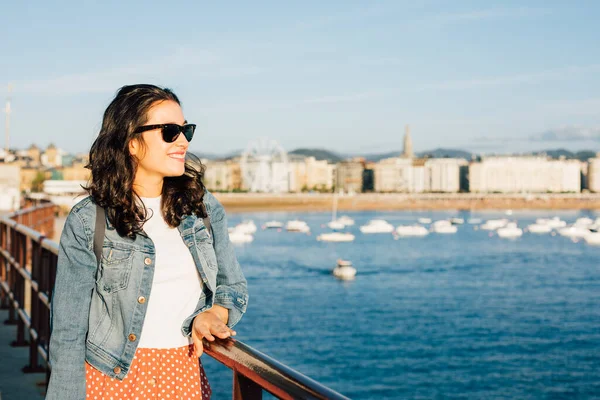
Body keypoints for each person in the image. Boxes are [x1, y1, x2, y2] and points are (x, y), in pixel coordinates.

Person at [46, 84, 248, 399]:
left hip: (182, 377)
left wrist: (214, 314)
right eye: (169, 131)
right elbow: (68, 331)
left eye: (185, 130)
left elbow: (232, 287)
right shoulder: (90, 219)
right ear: (132, 143)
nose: (182, 140)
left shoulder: (203, 209)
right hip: (109, 380)